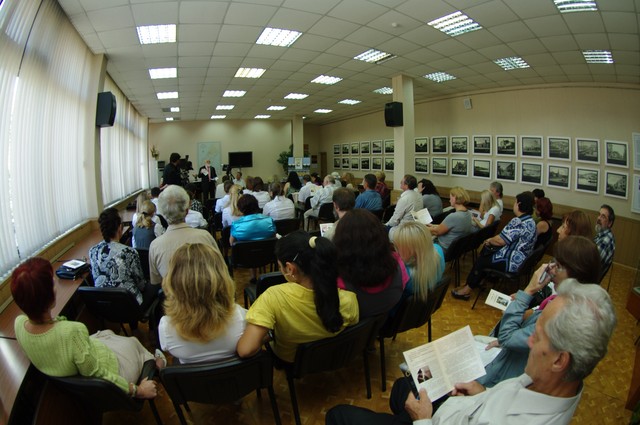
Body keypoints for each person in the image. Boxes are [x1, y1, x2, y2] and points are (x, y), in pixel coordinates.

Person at [326, 279, 617, 425]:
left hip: (432, 420)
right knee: (405, 386)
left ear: (559, 360)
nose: (528, 341)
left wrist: (423, 418)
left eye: (537, 336)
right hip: (461, 408)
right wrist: (483, 394)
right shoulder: (554, 383)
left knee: (338, 415)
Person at [11, 258, 160, 400]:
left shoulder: (19, 324)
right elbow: (100, 375)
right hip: (114, 376)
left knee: (107, 333)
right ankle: (157, 363)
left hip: (84, 380)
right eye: (52, 282)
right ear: (49, 297)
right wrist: (138, 391)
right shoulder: (71, 332)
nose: (55, 283)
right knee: (134, 342)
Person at [478, 236, 602, 388]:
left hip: (502, 381)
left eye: (558, 266)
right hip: (507, 364)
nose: (551, 270)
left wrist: (529, 290)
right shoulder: (569, 302)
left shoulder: (561, 314)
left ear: (576, 275)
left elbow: (507, 337)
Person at [236, 231, 359, 363]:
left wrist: (270, 335)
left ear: (290, 269)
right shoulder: (349, 299)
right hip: (330, 359)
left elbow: (245, 350)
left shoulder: (273, 297)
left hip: (290, 361)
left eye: (280, 266)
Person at [159, 243, 246, 364]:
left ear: (173, 280)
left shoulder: (166, 327)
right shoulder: (240, 317)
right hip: (233, 375)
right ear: (221, 276)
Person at [453, 191, 536, 300]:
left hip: (510, 262)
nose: (514, 204)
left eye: (515, 202)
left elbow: (501, 241)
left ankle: (467, 290)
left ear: (519, 204)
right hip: (522, 262)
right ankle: (477, 282)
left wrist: (489, 240)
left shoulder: (518, 221)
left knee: (482, 260)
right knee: (486, 255)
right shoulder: (531, 221)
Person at [333, 209, 409, 318]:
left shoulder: (339, 282)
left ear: (340, 242)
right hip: (386, 320)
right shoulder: (398, 263)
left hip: (355, 324)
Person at [149, 185, 218, 286]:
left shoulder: (155, 246)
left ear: (162, 214)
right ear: (187, 211)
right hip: (206, 292)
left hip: (172, 294)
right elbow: (219, 270)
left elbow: (156, 281)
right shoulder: (205, 236)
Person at [89, 208, 151, 307]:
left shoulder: (93, 251)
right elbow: (141, 285)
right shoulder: (129, 252)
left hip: (104, 305)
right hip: (129, 305)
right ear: (120, 227)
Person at [392, 221, 445, 309]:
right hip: (426, 308)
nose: (396, 250)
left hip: (401, 312)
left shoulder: (403, 273)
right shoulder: (438, 250)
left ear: (411, 251)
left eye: (397, 247)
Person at [428, 187, 473, 254]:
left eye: (450, 198)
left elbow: (436, 232)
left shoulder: (454, 216)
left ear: (454, 198)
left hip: (443, 248)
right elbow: (450, 227)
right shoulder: (468, 213)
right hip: (456, 250)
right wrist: (433, 226)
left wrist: (422, 227)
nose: (449, 200)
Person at [385, 174, 422, 240]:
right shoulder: (418, 196)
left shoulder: (404, 199)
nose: (400, 182)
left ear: (406, 185)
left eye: (402, 182)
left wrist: (386, 225)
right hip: (415, 228)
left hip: (403, 230)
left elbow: (395, 220)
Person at [594, 204, 615, 273]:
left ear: (609, 223)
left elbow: (590, 263)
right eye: (599, 214)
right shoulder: (602, 234)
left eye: (603, 217)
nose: (598, 218)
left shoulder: (605, 241)